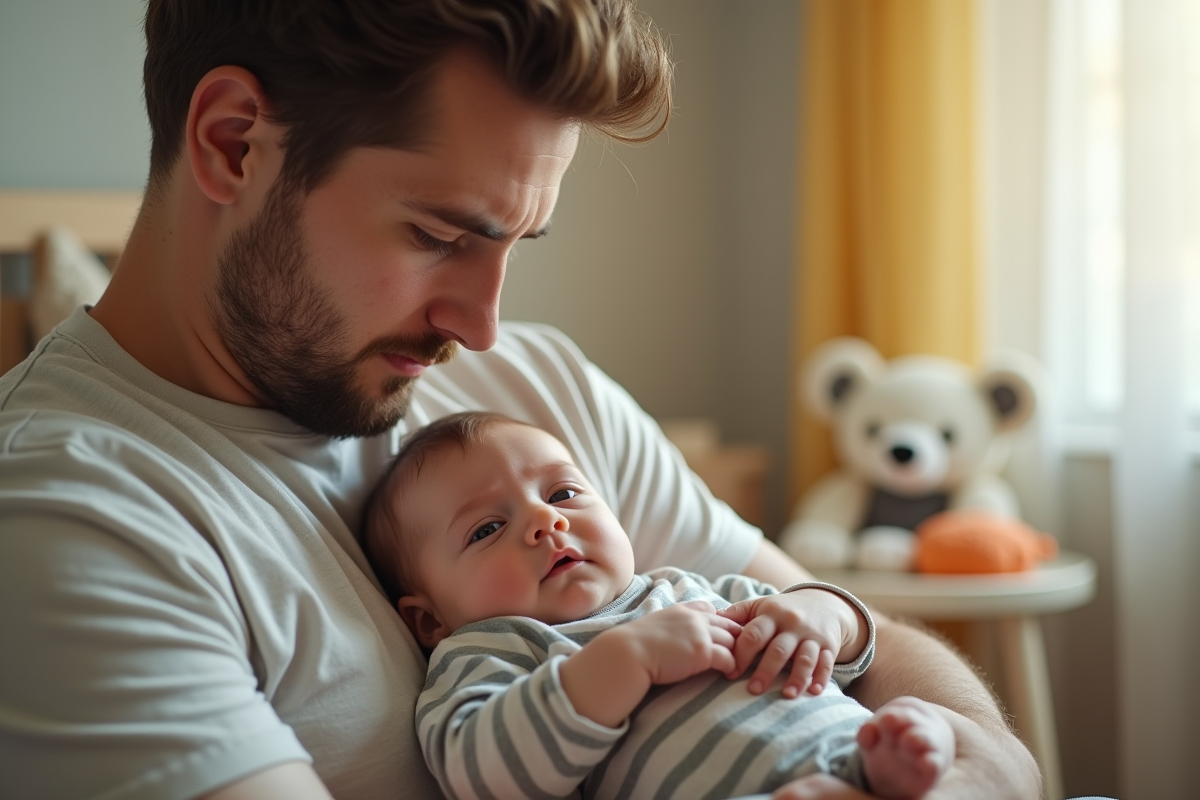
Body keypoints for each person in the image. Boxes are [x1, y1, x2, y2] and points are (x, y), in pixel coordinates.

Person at [0, 1, 1040, 799]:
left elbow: (864, 646)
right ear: (233, 141)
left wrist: (972, 769)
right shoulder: (70, 521)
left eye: (509, 244)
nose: (481, 326)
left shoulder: (535, 396)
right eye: (440, 234)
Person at [362, 411, 957, 800]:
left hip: (853, 755)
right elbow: (480, 773)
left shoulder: (688, 588)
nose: (548, 521)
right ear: (428, 618)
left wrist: (825, 615)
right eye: (487, 528)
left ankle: (896, 765)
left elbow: (850, 650)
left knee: (921, 726)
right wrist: (621, 663)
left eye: (563, 493)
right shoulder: (489, 648)